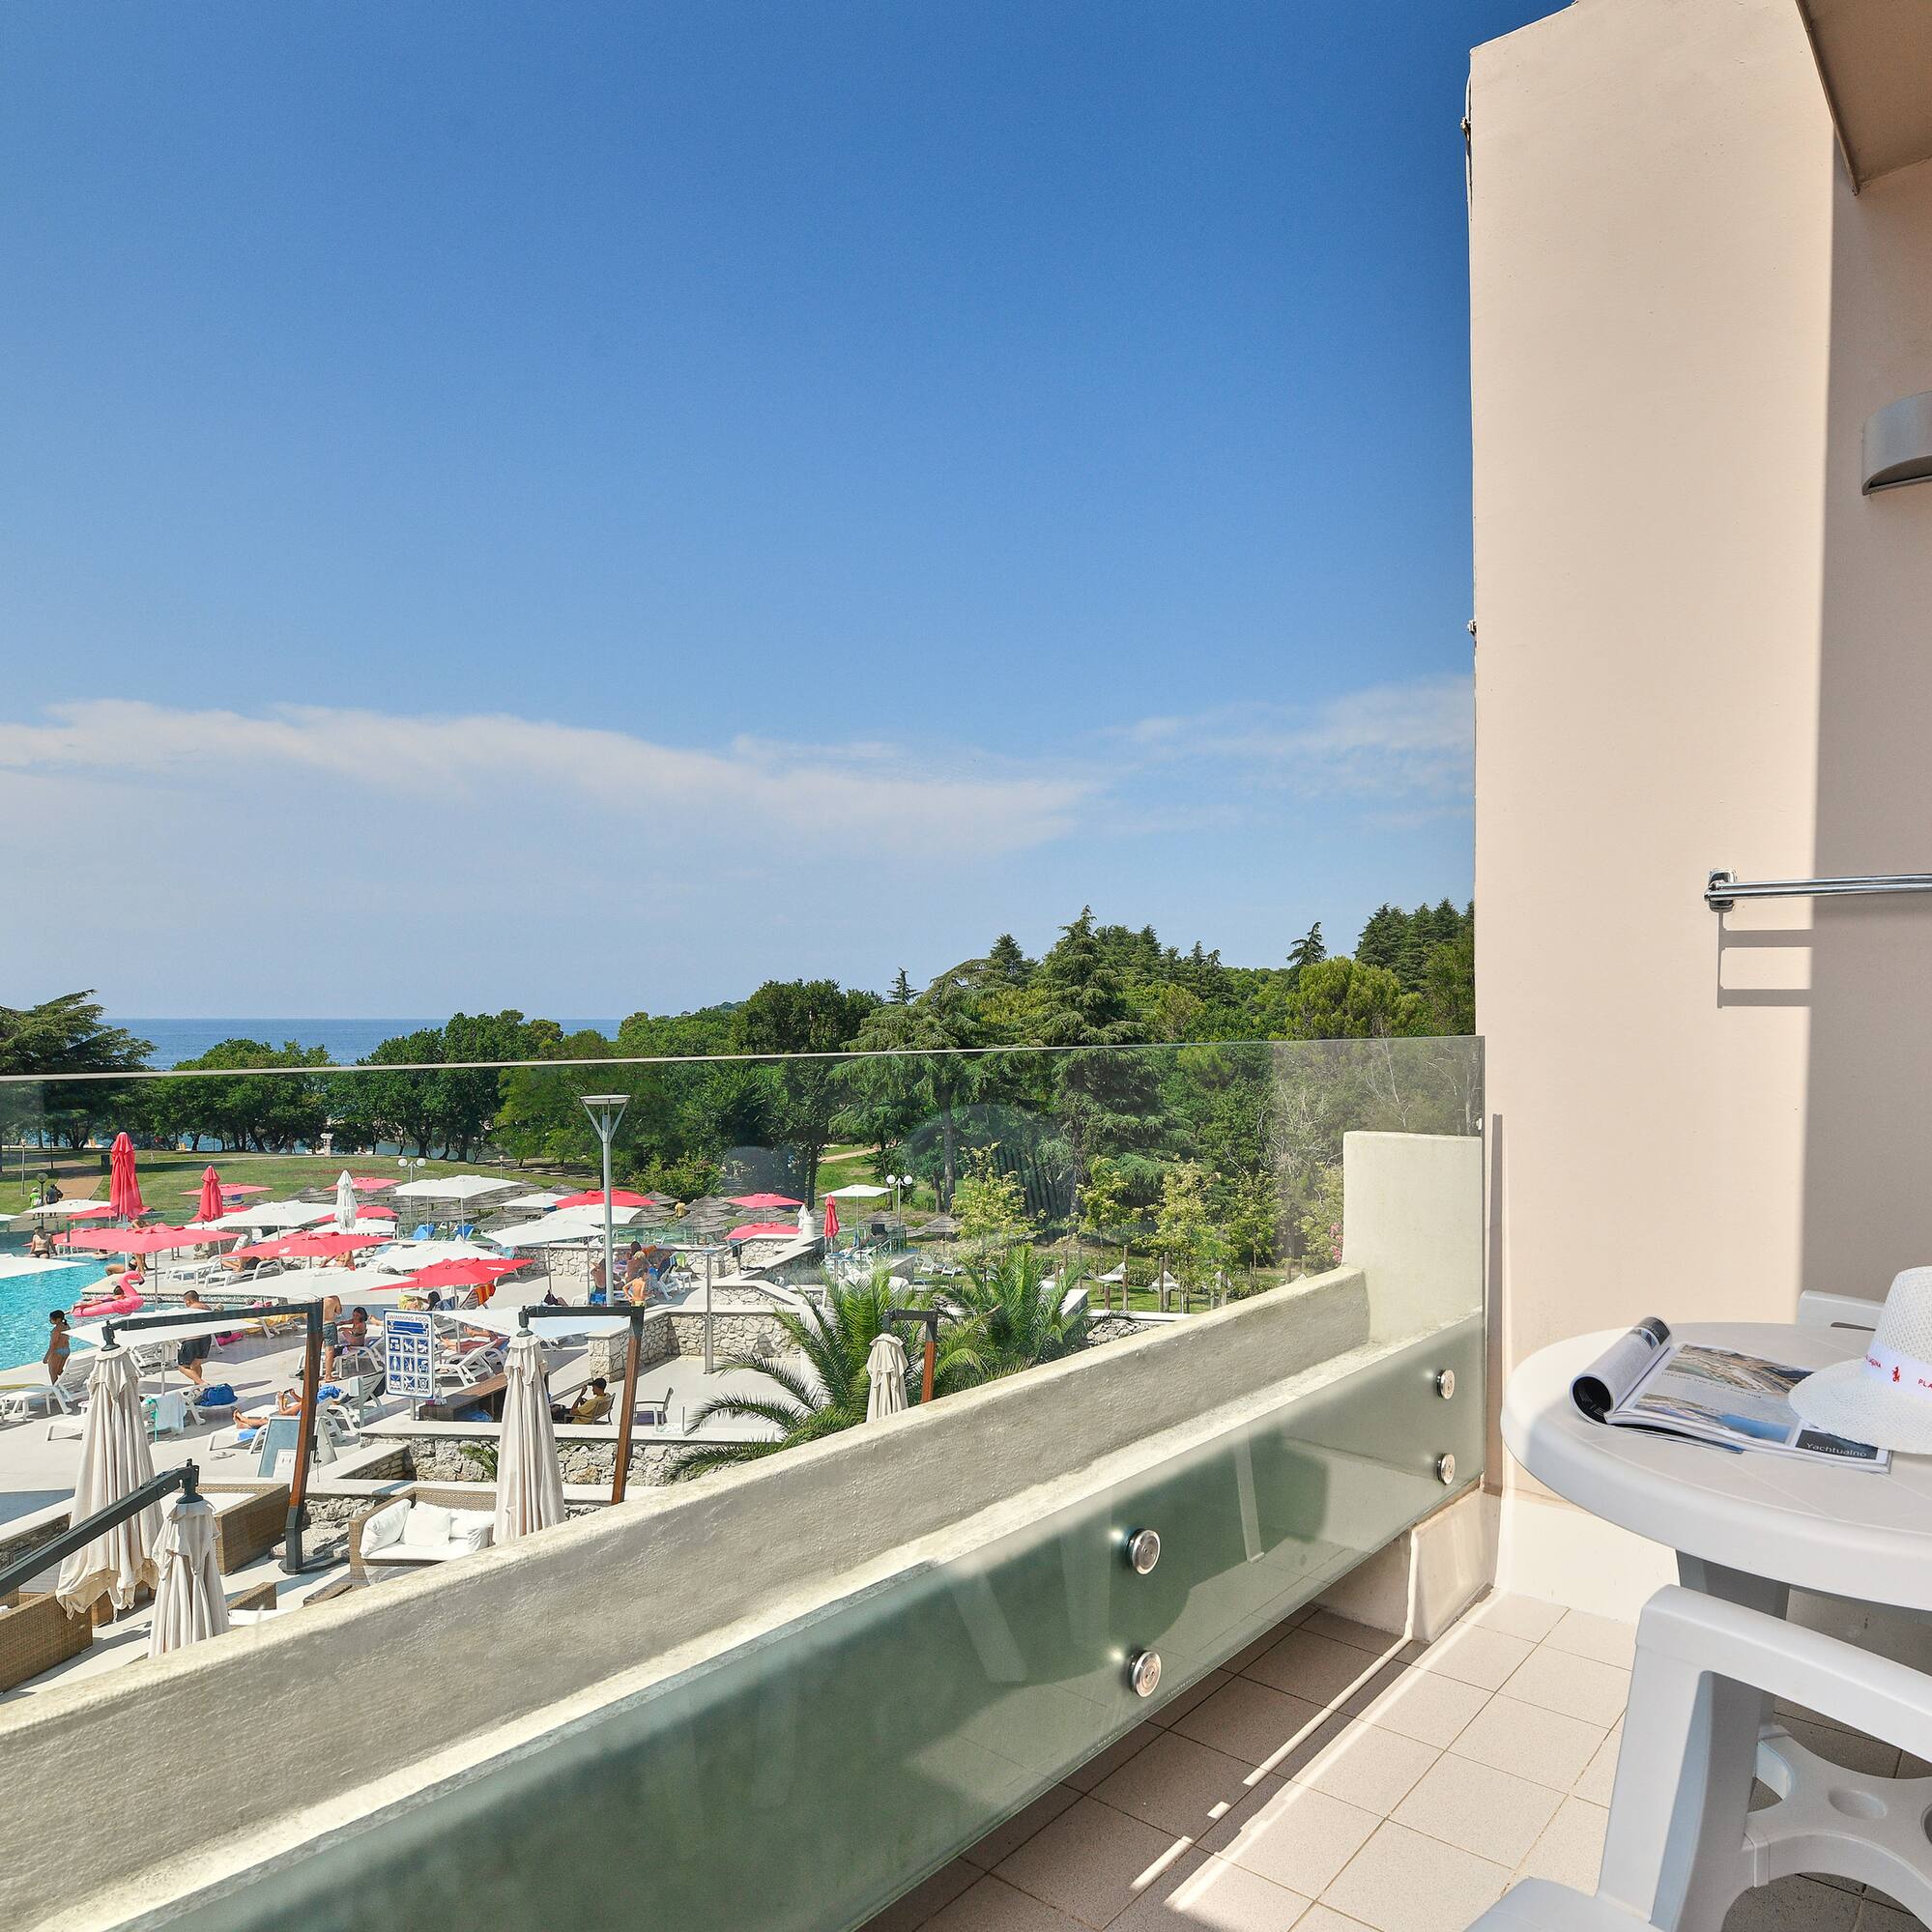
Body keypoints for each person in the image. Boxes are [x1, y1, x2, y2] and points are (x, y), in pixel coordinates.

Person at [175, 1289, 216, 1389]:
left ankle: (202, 1383)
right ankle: (197, 1387)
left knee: (182, 1367)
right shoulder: (207, 1308)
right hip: (206, 1339)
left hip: (192, 1340)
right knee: (196, 1364)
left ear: (188, 1301)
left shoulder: (189, 1310)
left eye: (185, 1302)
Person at [43, 1311, 71, 1383]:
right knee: (59, 1371)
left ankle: (57, 1389)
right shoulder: (67, 1326)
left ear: (58, 1319)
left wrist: (46, 1357)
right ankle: (71, 1380)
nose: (50, 1320)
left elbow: (53, 1345)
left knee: (53, 1372)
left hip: (57, 1351)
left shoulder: (56, 1330)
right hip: (66, 1350)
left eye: (51, 1319)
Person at [320, 1293, 343, 1375]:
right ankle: (328, 1375)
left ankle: (315, 1375)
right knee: (329, 1351)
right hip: (329, 1324)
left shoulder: (316, 1298)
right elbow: (339, 1311)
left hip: (317, 1325)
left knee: (315, 1350)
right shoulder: (334, 1298)